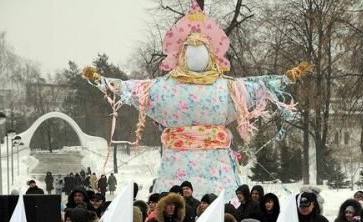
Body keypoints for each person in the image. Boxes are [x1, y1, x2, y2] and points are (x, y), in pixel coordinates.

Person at [83, 1, 302, 201]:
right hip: (210, 168)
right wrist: (102, 81)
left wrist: (284, 79)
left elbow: (133, 90)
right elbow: (255, 89)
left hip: (190, 167)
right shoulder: (214, 88)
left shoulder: (196, 87)